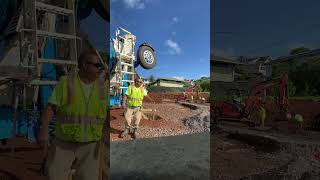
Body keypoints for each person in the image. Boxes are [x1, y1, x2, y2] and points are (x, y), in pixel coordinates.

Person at [38, 51, 108, 180]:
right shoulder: (66, 82)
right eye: (97, 65)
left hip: (91, 145)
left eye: (101, 67)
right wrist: (44, 131)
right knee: (56, 176)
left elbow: (106, 113)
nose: (100, 69)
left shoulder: (102, 87)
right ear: (85, 65)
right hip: (64, 143)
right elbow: (51, 108)